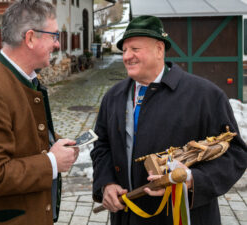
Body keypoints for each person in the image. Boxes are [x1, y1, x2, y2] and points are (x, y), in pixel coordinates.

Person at [90, 15, 247, 225]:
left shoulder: (205, 95)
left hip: (182, 217)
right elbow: (102, 145)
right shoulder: (114, 96)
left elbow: (235, 154)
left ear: (159, 49)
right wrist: (106, 183)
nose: (127, 56)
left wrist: (190, 180)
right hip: (127, 216)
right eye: (124, 50)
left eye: (135, 49)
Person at [0, 1, 79, 224]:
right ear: (31, 38)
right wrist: (52, 162)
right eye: (54, 35)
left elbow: (22, 140)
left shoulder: (21, 79)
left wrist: (55, 145)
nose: (58, 44)